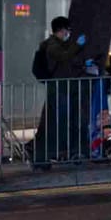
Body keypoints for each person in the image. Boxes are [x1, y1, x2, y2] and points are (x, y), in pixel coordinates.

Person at [31, 16, 85, 165]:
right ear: (61, 30)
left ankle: (60, 153)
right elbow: (64, 57)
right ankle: (49, 155)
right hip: (58, 88)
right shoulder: (52, 45)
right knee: (59, 123)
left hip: (62, 88)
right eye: (67, 30)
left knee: (63, 122)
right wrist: (77, 45)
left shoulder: (59, 44)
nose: (69, 33)